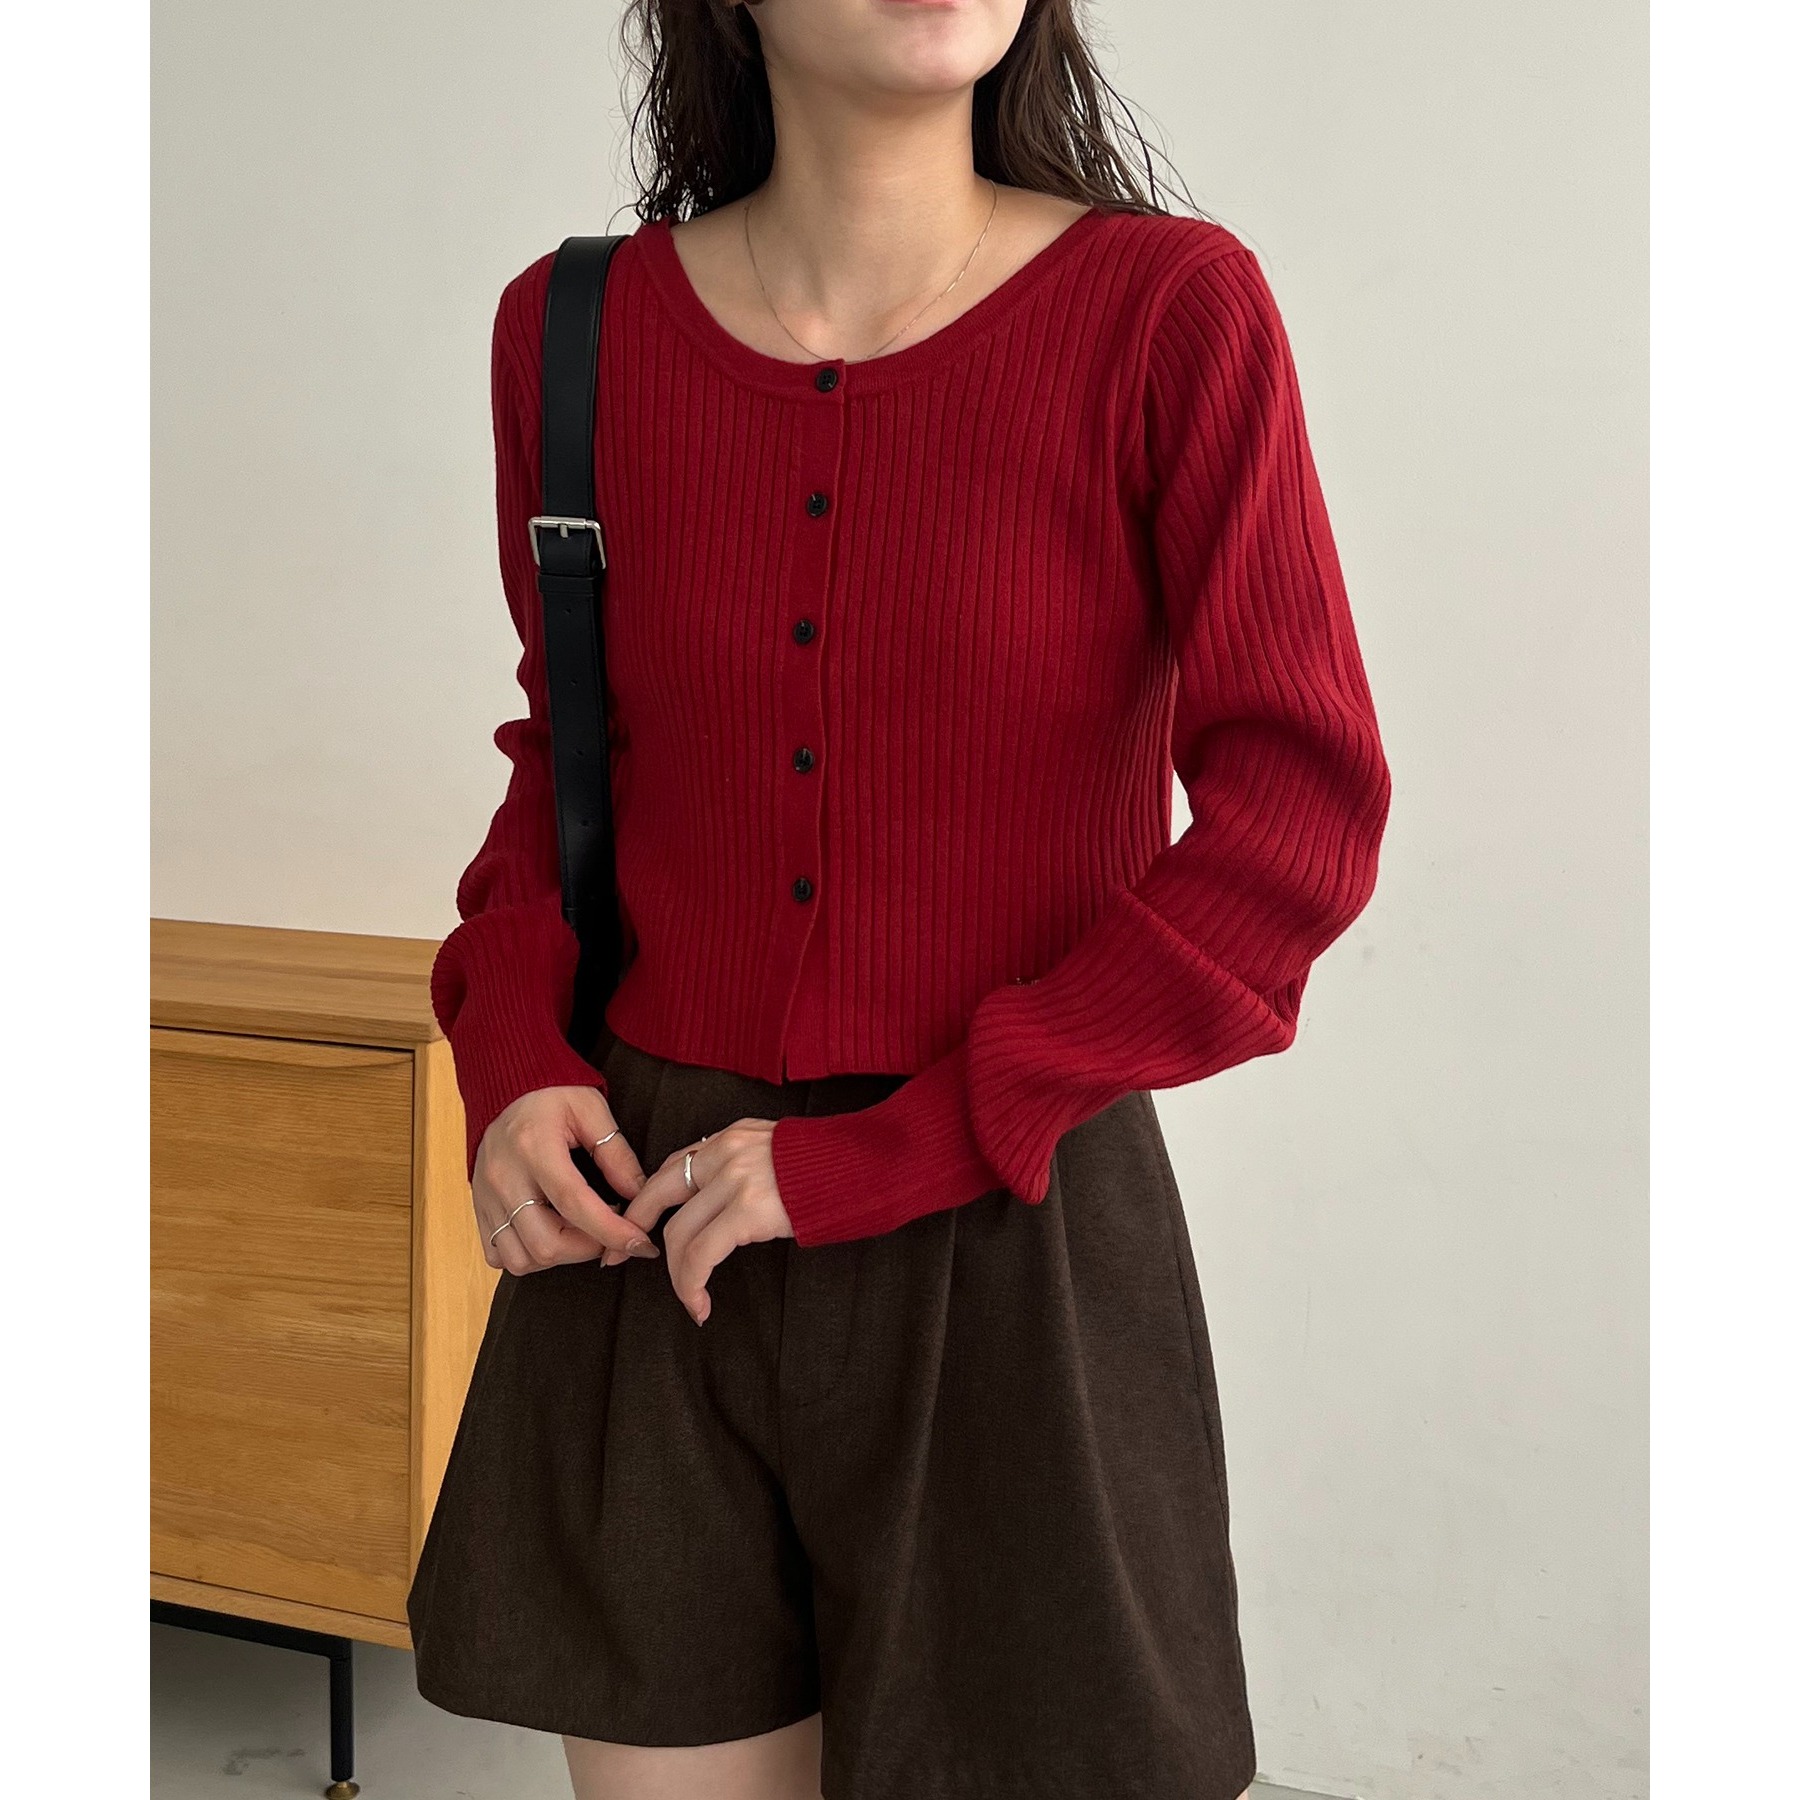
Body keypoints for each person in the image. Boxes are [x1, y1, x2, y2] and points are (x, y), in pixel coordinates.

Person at [406, 2, 1392, 1797]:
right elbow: (572, 757)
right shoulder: (570, 332)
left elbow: (1297, 818)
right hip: (652, 1234)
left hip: (1013, 1231)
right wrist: (517, 1056)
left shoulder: (1169, 313)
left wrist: (904, 1144)